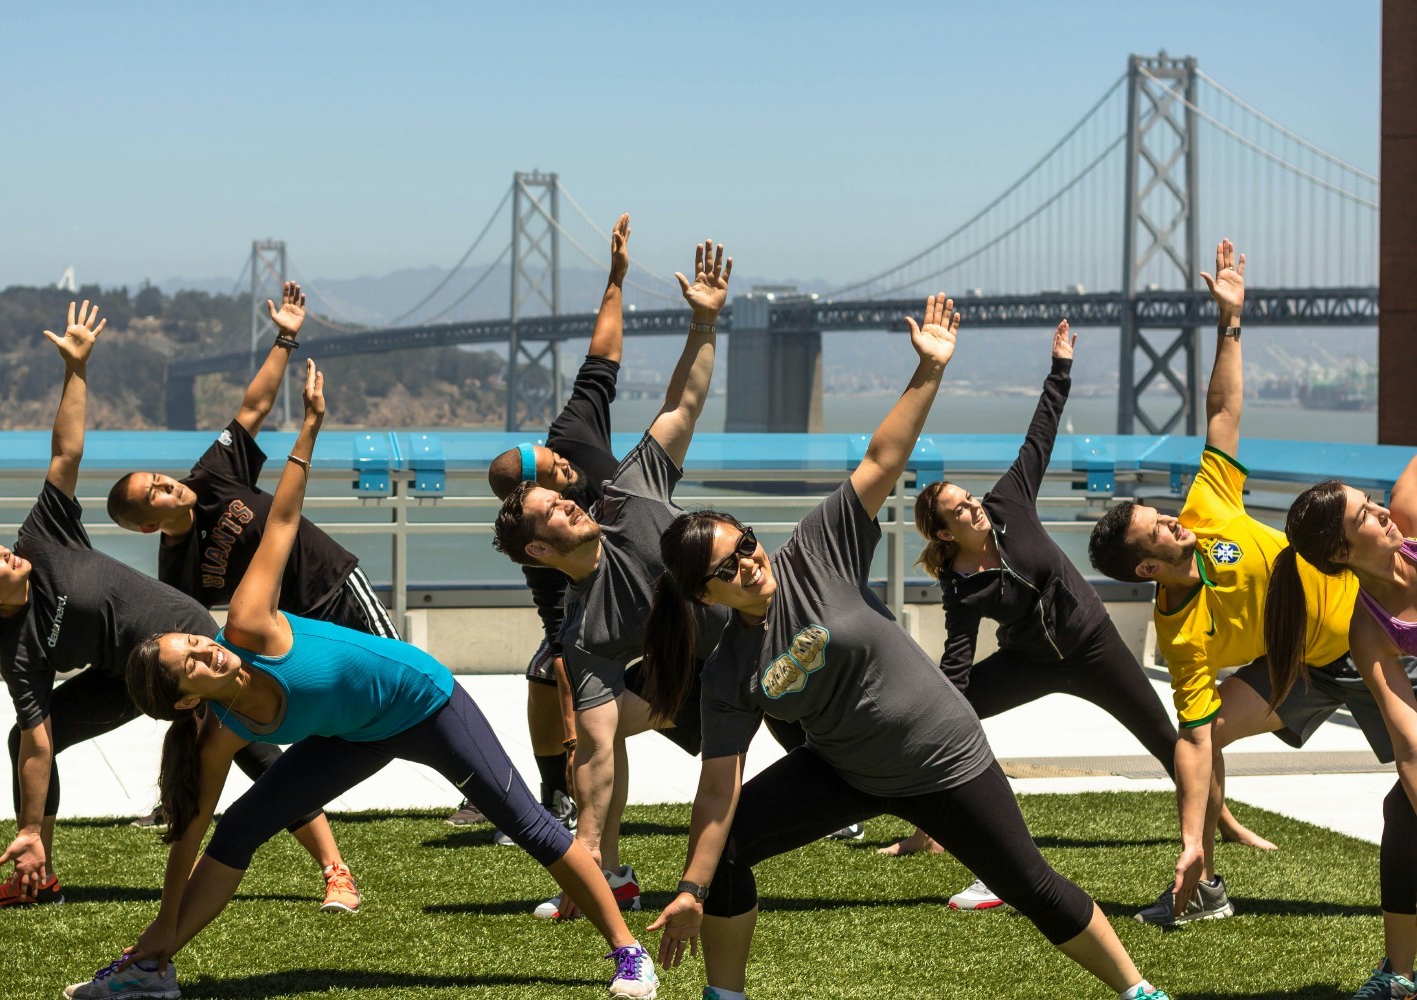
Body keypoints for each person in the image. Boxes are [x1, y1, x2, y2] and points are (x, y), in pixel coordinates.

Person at [64, 360, 658, 1000]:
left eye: (199, 642)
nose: (211, 653)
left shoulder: (249, 625)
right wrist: (160, 924)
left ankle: (628, 954)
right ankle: (152, 969)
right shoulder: (218, 735)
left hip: (424, 703)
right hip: (355, 735)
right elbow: (192, 832)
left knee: (528, 824)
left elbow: (283, 523)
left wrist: (309, 431)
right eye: (196, 664)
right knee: (237, 829)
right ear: (187, 699)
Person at [639, 294, 1170, 1000]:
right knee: (726, 848)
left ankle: (1139, 991)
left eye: (743, 544)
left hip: (943, 755)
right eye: (725, 568)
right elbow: (717, 790)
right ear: (704, 595)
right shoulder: (730, 672)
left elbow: (882, 457)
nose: (746, 563)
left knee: (1030, 885)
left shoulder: (815, 551)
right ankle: (724, 996)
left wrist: (929, 369)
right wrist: (691, 887)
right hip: (848, 770)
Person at [0, 302, 354, 913]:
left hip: (183, 639)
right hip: (126, 676)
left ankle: (336, 870)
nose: (4, 553)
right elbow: (42, 741)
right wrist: (25, 824)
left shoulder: (41, 538)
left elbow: (65, 454)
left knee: (250, 748)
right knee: (22, 737)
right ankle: (36, 872)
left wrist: (76, 369)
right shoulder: (20, 650)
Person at [901, 319, 1268, 910]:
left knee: (1174, 740)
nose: (972, 507)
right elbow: (958, 655)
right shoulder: (960, 584)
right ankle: (931, 825)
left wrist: (1061, 368)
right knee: (948, 714)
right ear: (944, 534)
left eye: (967, 498)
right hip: (1030, 661)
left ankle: (1222, 824)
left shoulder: (1008, 503)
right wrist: (946, 704)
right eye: (959, 511)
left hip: (1094, 644)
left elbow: (1039, 435)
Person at [493, 239, 801, 921]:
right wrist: (585, 851)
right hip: (709, 678)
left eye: (560, 493)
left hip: (778, 627)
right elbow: (598, 750)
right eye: (552, 510)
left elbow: (681, 406)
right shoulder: (585, 630)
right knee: (599, 734)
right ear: (540, 552)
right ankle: (606, 870)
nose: (567, 499)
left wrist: (705, 322)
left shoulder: (629, 494)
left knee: (845, 751)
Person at [1087, 239, 1359, 927]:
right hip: (1295, 667)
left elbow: (1222, 415)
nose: (1178, 523)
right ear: (1149, 569)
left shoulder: (1206, 508)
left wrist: (1230, 321)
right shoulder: (1181, 636)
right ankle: (1205, 885)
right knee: (1201, 748)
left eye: (1165, 515)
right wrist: (1186, 839)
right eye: (1161, 532)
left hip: (1366, 631)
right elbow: (1196, 739)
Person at [452, 213, 633, 840]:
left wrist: (614, 277)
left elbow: (601, 355)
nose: (561, 467)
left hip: (656, 577)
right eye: (548, 475)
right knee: (545, 670)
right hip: (600, 604)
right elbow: (560, 622)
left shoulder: (574, 432)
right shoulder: (541, 536)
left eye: (551, 458)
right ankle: (555, 796)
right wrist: (565, 660)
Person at [106, 280, 397, 639]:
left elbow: (254, 407)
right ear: (150, 526)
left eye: (157, 477)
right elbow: (191, 635)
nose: (168, 483)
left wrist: (285, 338)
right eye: (155, 494)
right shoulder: (179, 574)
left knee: (401, 671)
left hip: (333, 584)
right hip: (290, 630)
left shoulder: (211, 475)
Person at [1264, 459, 1417, 1000]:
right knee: (1403, 808)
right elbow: (1408, 741)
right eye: (1365, 518)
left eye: (1371, 501)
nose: (1382, 512)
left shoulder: (1410, 525)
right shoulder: (1368, 632)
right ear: (1340, 554)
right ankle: (1400, 975)